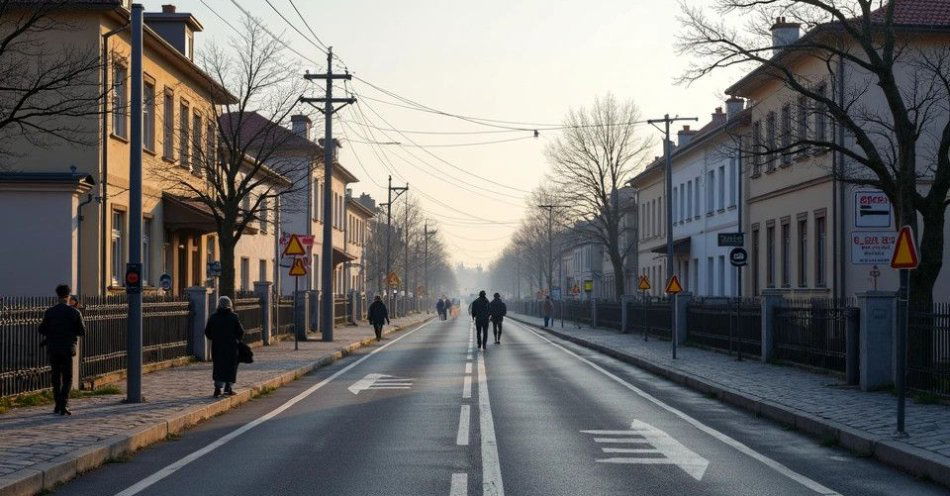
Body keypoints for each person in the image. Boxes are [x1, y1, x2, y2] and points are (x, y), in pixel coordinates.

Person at [38, 284, 86, 415]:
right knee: (67, 377)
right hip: (67, 348)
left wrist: (52, 333)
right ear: (68, 295)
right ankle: (63, 404)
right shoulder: (74, 312)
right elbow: (82, 331)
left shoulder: (50, 311)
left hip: (53, 347)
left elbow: (41, 329)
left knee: (55, 376)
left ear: (57, 295)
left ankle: (57, 404)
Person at [204, 296, 245, 398]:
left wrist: (214, 338)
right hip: (231, 346)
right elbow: (240, 331)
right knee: (231, 366)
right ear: (230, 305)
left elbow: (207, 332)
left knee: (218, 366)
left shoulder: (213, 317)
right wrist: (237, 340)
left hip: (217, 346)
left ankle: (217, 388)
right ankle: (228, 387)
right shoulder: (233, 317)